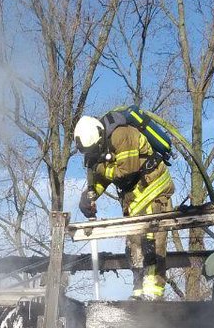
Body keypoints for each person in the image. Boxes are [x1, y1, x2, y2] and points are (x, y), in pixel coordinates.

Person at [74, 113, 175, 300]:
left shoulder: (121, 135)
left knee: (152, 240)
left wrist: (100, 168)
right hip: (134, 197)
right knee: (134, 244)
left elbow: (126, 171)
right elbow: (103, 177)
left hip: (154, 188)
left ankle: (154, 294)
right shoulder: (99, 145)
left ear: (99, 137)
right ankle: (138, 290)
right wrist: (88, 196)